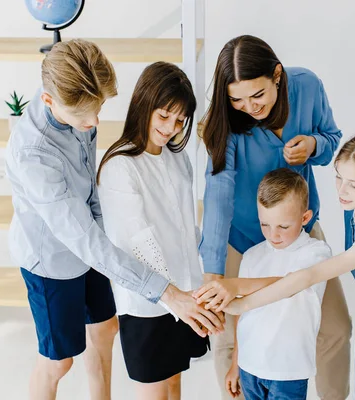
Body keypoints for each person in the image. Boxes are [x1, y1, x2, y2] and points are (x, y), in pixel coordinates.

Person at [5, 39, 223, 400]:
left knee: (105, 329)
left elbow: (92, 202)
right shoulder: (34, 156)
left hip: (91, 238)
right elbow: (86, 242)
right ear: (49, 102)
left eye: (99, 108)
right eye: (84, 116)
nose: (94, 123)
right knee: (60, 362)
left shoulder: (74, 95)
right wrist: (168, 294)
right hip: (52, 260)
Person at [200, 131, 355, 400]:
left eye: (354, 185)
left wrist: (242, 301)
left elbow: (308, 276)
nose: (342, 190)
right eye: (339, 177)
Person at [199, 34, 351, 399]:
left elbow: (331, 137)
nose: (249, 107)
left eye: (257, 95)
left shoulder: (308, 86)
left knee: (335, 328)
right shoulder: (229, 121)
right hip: (244, 235)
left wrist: (314, 146)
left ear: (278, 76)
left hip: (300, 232)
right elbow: (218, 195)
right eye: (236, 99)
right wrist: (213, 274)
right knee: (229, 334)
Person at [97, 61, 209, 400]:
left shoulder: (177, 158)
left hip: (186, 291)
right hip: (149, 302)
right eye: (164, 116)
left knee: (173, 384)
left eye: (179, 121)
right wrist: (176, 298)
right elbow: (136, 243)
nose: (171, 128)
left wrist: (195, 288)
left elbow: (185, 230)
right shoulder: (120, 166)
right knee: (154, 390)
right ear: (143, 104)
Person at [221, 168, 331, 400]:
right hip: (250, 366)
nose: (273, 235)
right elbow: (243, 316)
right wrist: (236, 363)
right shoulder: (251, 256)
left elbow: (294, 284)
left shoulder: (316, 253)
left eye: (283, 226)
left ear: (305, 218)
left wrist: (239, 286)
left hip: (288, 371)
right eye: (265, 224)